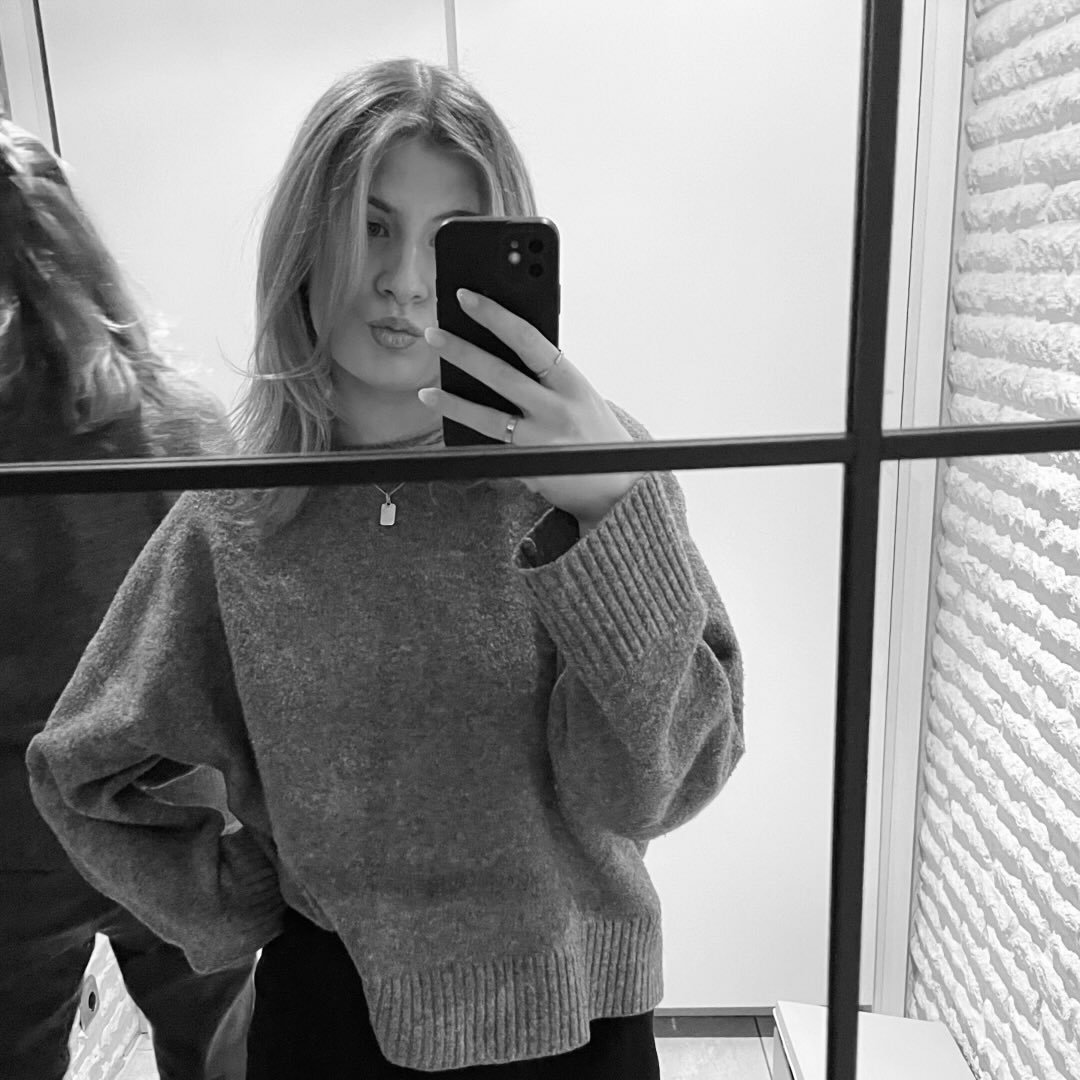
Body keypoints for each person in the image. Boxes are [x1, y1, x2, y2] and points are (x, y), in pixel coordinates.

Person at [27, 59, 745, 1078]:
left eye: (449, 238)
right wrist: (245, 901)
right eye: (371, 224)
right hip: (334, 1028)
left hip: (582, 1026)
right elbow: (82, 770)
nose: (406, 278)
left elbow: (659, 789)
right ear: (305, 240)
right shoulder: (241, 517)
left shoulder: (592, 471)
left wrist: (610, 512)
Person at [0, 117, 254, 1080]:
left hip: (13, 839)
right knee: (223, 1054)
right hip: (176, 814)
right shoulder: (184, 422)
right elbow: (245, 638)